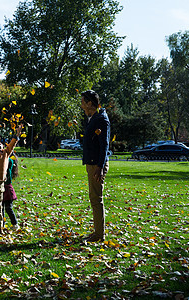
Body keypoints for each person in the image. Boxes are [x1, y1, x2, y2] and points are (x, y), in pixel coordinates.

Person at [81, 90, 110, 242]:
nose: (81, 105)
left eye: (83, 102)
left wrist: (99, 166)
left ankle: (99, 234)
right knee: (94, 198)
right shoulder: (94, 118)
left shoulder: (101, 119)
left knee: (96, 198)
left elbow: (104, 145)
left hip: (96, 164)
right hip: (92, 163)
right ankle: (98, 232)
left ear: (90, 103)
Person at [2, 153, 20, 230]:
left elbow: (8, 160)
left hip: (7, 191)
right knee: (1, 208)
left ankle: (15, 224)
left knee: (8, 208)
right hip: (2, 190)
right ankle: (2, 224)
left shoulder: (9, 163)